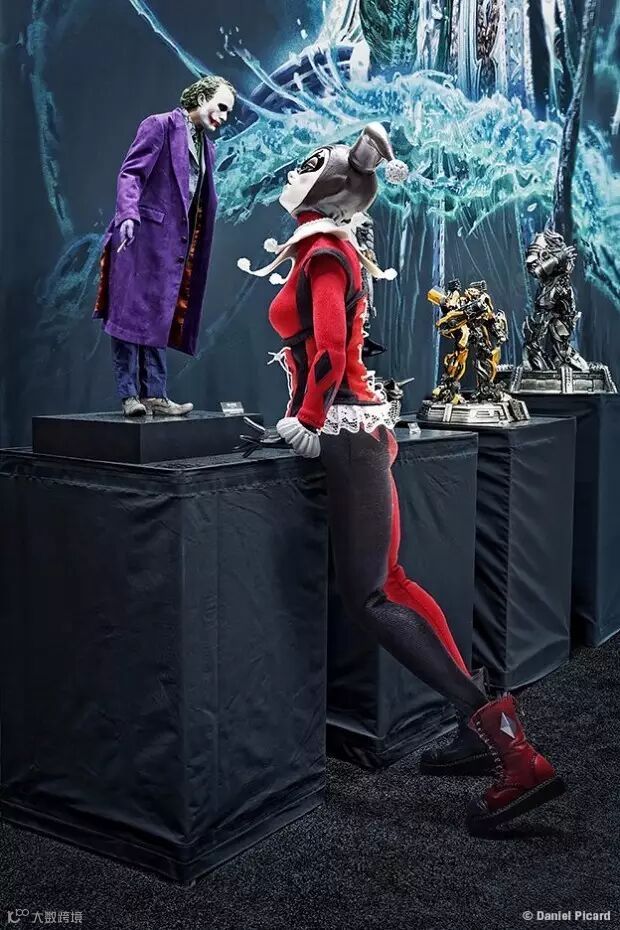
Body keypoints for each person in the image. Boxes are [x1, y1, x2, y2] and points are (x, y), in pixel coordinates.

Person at [238, 123, 566, 834]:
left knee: (374, 596)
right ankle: (478, 726)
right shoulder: (326, 246)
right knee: (393, 583)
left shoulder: (325, 251)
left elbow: (330, 351)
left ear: (327, 188)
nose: (294, 172)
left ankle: (516, 757)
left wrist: (308, 420)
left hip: (348, 431)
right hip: (357, 429)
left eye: (308, 166)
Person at [94, 75, 236, 417]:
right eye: (220, 107)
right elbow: (131, 173)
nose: (223, 117)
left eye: (228, 112)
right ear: (200, 98)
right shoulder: (159, 126)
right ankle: (129, 395)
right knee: (128, 315)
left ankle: (155, 394)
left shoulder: (207, 147)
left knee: (160, 314)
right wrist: (128, 214)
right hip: (140, 238)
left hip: (174, 245)